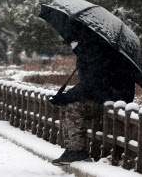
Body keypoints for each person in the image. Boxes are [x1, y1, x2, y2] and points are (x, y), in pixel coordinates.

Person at [49, 31, 136, 166]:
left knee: (73, 108)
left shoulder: (99, 55)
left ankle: (78, 152)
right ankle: (71, 149)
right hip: (103, 97)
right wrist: (66, 97)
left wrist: (66, 97)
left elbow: (89, 84)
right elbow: (89, 85)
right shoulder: (90, 53)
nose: (73, 46)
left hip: (112, 101)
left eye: (75, 42)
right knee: (69, 106)